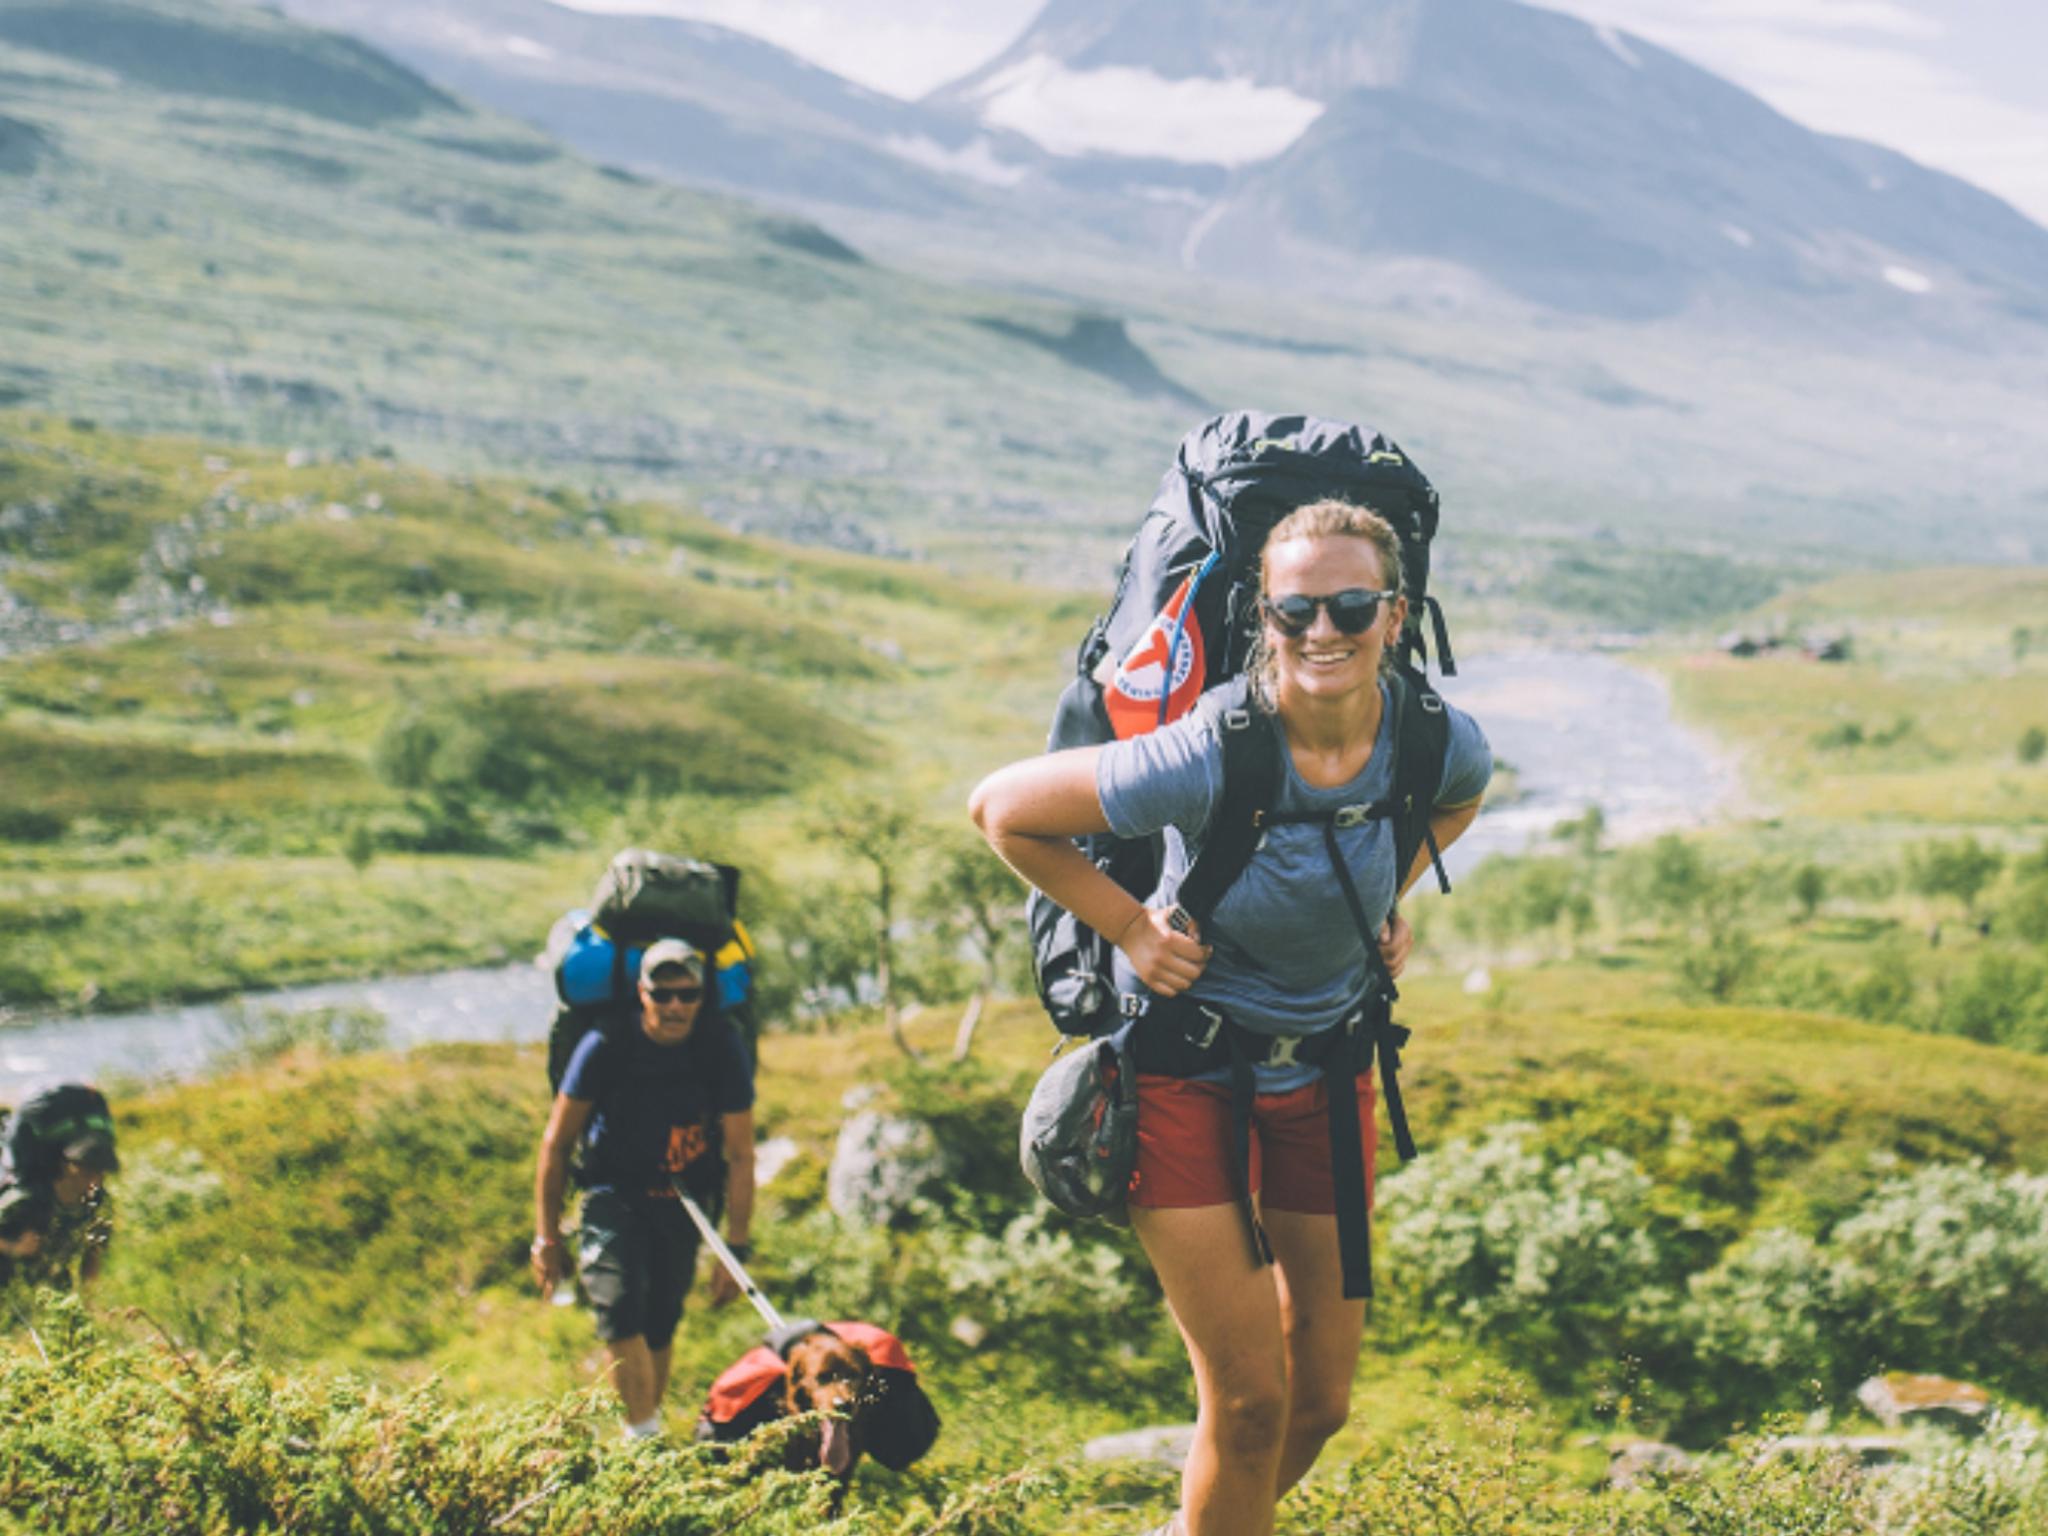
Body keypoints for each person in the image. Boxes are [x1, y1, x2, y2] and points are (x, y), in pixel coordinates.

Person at [970, 501, 1490, 1536]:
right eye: (1294, 611)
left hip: (1331, 1074)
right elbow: (1003, 809)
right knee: (1248, 1406)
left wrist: (1387, 890)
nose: (1322, 632)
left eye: (1350, 605)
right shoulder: (1213, 748)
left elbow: (1457, 800)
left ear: (1394, 614)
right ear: (1263, 617)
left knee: (1319, 1406)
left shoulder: (1435, 741)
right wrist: (1128, 927)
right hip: (1182, 1075)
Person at [532, 938, 757, 1440]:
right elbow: (557, 1143)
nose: (676, 1006)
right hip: (614, 1193)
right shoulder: (606, 1044)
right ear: (641, 993)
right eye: (663, 994)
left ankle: (645, 1441)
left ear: (703, 995)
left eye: (688, 994)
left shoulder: (721, 1046)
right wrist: (547, 1238)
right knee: (619, 1309)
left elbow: (741, 1153)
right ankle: (645, 1439)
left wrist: (735, 1249)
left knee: (660, 1323)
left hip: (686, 1201)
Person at [0, 1083, 120, 1293]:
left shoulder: (99, 1204)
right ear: (65, 1164)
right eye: (86, 1170)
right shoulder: (24, 1201)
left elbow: (94, 1255)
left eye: (100, 1171)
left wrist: (89, 1302)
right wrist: (14, 1248)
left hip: (49, 1290)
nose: (95, 1179)